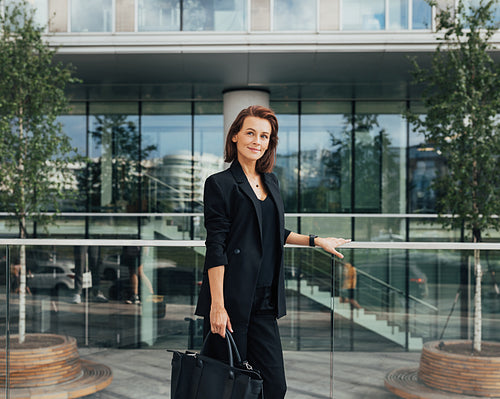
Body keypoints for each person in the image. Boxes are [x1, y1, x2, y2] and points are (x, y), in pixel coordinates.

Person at [194, 105, 350, 398]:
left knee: (274, 385)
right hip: (231, 301)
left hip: (264, 301)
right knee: (228, 385)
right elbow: (216, 246)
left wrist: (316, 241)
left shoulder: (271, 181)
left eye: (265, 136)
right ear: (235, 137)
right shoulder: (220, 184)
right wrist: (217, 305)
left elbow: (274, 232)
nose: (257, 141)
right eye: (250, 133)